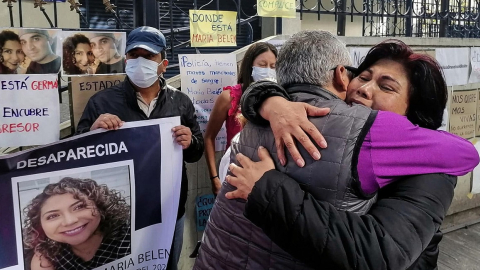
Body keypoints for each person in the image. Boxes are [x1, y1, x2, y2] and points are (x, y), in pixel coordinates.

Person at [193, 31, 479, 270]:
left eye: (387, 87)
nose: (364, 89)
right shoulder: (321, 123)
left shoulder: (432, 170)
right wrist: (270, 100)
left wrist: (266, 187)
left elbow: (377, 253)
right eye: (363, 76)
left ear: (415, 112)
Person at [76, 26, 204, 270]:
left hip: (169, 210)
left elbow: (195, 153)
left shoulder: (181, 101)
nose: (140, 62)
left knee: (167, 265)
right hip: (119, 215)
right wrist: (92, 132)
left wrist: (191, 141)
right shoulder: (102, 102)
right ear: (126, 61)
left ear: (163, 64)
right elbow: (77, 156)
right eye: (134, 56)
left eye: (148, 56)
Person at [204, 42, 277, 194]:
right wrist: (214, 178)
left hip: (269, 181)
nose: (268, 71)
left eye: (273, 66)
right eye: (262, 65)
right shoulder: (230, 97)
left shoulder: (280, 98)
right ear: (250, 67)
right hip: (233, 175)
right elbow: (209, 137)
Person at [23, 177, 130, 270]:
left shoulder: (129, 238)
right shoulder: (46, 257)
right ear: (40, 225)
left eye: (79, 207)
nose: (70, 221)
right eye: (53, 216)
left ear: (100, 206)